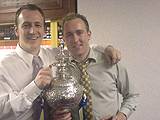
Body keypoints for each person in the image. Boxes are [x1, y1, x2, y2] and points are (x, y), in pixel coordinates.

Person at [0, 4, 121, 120]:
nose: (32, 31)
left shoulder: (54, 55)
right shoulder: (3, 66)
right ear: (16, 30)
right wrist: (34, 87)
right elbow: (2, 111)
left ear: (44, 30)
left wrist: (106, 49)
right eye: (26, 25)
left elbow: (79, 46)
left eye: (37, 25)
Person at [53, 13, 140, 120]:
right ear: (64, 39)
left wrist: (121, 116)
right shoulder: (60, 68)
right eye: (69, 35)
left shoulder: (110, 61)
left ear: (89, 35)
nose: (75, 39)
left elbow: (132, 95)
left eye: (79, 33)